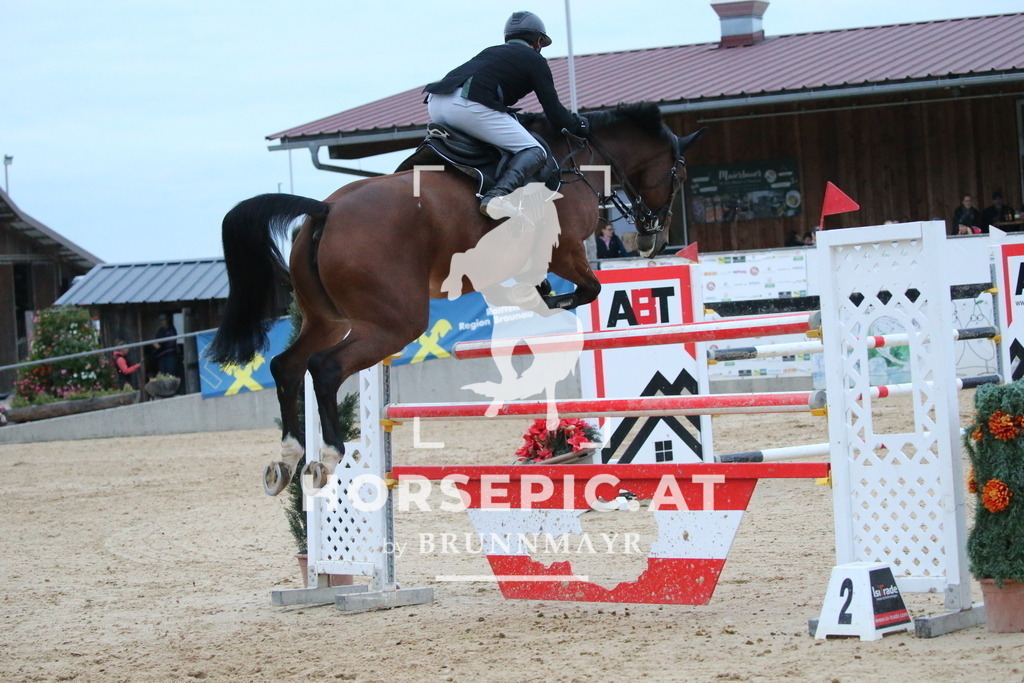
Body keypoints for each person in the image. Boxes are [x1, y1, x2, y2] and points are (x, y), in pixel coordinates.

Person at [423, 11, 588, 217]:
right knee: (534, 150)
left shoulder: (492, 51)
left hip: (437, 102)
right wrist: (578, 125)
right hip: (467, 105)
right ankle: (498, 195)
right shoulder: (535, 60)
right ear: (538, 41)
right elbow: (555, 113)